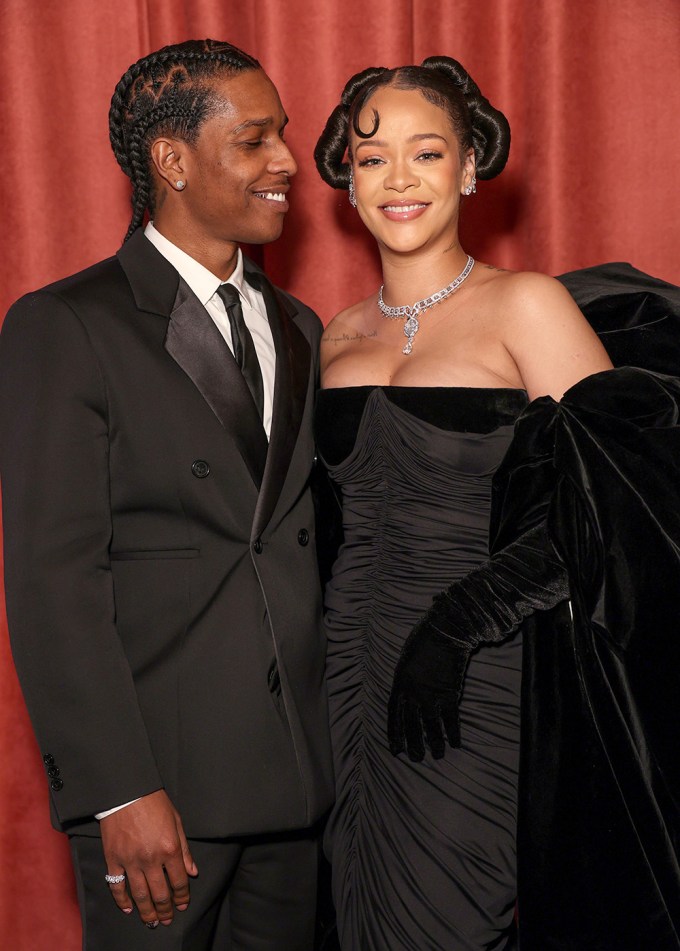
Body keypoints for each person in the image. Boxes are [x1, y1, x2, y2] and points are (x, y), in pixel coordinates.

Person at [313, 57, 680, 950]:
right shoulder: (336, 332)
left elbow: (617, 497)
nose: (399, 179)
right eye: (373, 159)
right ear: (347, 181)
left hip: (472, 678)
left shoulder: (526, 306)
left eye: (427, 153)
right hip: (344, 680)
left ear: (470, 166)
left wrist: (459, 622)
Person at [0, 38, 333, 950]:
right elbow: (51, 581)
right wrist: (117, 789)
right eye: (256, 140)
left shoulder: (298, 326)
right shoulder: (65, 325)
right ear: (173, 161)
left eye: (284, 137)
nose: (287, 162)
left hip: (297, 787)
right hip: (163, 799)